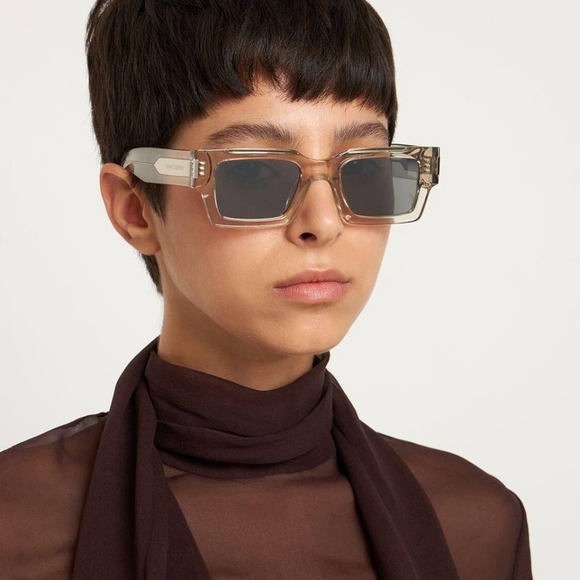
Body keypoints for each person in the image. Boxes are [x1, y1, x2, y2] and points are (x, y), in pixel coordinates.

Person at [0, 0, 533, 578]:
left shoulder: (474, 526)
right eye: (253, 172)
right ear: (135, 208)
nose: (323, 223)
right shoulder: (17, 528)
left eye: (363, 168)